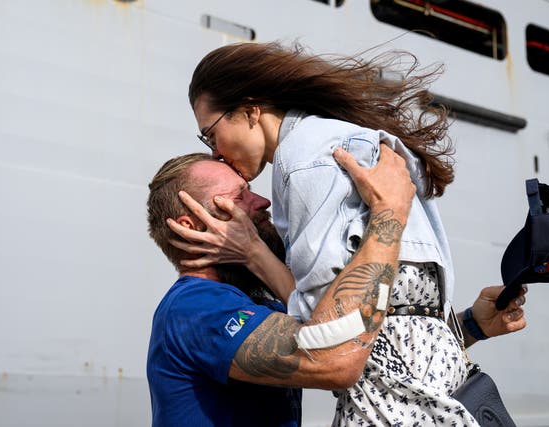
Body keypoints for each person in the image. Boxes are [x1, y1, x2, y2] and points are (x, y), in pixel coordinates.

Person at [179, 41, 528, 426]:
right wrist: (471, 325)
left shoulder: (302, 162)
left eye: (210, 135)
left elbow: (332, 336)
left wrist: (255, 255)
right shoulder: (359, 141)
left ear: (249, 109)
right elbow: (402, 323)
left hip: (391, 408)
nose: (215, 152)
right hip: (448, 395)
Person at [146, 147, 416, 426]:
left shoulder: (257, 307)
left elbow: (367, 342)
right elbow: (335, 359)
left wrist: (465, 323)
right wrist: (388, 214)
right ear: (191, 226)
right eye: (240, 196)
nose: (262, 201)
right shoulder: (196, 308)